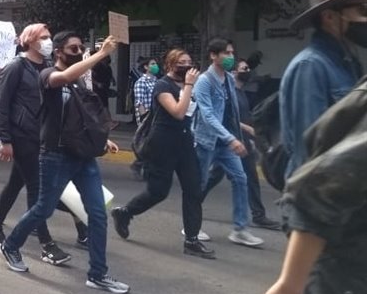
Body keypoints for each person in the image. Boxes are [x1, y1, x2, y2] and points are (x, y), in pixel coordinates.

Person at [268, 0, 367, 294]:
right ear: (332, 17)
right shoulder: (310, 67)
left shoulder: (348, 62)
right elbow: (314, 158)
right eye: (361, 10)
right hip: (322, 217)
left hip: (347, 220)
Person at [252, 76, 366, 294]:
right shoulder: (310, 67)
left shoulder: (343, 61)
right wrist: (289, 287)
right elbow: (314, 188)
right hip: (349, 261)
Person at [0, 32, 129, 294]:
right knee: (43, 209)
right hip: (56, 155)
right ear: (58, 52)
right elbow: (63, 78)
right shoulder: (46, 76)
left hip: (83, 156)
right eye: (73, 48)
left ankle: (98, 273)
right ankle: (10, 245)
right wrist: (101, 54)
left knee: (98, 213)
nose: (79, 51)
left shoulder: (79, 81)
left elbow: (84, 117)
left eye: (81, 47)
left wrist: (102, 141)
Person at [0, 23, 86, 265]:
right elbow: (2, 105)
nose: (48, 41)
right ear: (29, 41)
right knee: (37, 188)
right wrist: (6, 140)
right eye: (43, 37)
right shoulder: (16, 67)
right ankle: (46, 244)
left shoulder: (48, 68)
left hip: (41, 135)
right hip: (22, 136)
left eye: (49, 37)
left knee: (16, 182)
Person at [109, 49, 215, 259]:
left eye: (188, 61)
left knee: (194, 189)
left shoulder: (186, 86)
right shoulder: (163, 85)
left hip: (184, 143)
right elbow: (177, 112)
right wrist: (189, 86)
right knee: (159, 191)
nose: (186, 65)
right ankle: (125, 212)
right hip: (162, 144)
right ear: (170, 65)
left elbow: (193, 112)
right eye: (181, 62)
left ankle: (191, 240)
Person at [192, 38, 264, 248]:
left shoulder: (230, 80)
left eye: (232, 53)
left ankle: (240, 229)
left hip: (225, 142)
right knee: (200, 183)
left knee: (240, 179)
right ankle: (191, 225)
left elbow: (231, 112)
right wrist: (231, 138)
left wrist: (239, 137)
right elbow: (208, 115)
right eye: (226, 53)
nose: (230, 57)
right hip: (206, 141)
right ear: (213, 56)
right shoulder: (205, 81)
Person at [202, 58, 280, 230]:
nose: (248, 71)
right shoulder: (229, 94)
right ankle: (194, 203)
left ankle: (257, 215)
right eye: (244, 68)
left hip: (241, 140)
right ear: (235, 72)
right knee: (231, 176)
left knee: (239, 176)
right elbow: (225, 118)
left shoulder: (241, 92)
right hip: (231, 141)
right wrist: (248, 131)